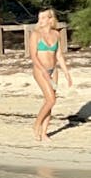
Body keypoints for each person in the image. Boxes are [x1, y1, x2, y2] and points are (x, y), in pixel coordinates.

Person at [29, 8, 72, 143]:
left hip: (54, 70)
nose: (40, 20)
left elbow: (58, 55)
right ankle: (36, 124)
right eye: (39, 18)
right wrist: (42, 70)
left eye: (43, 18)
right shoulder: (35, 34)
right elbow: (33, 56)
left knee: (49, 101)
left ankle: (44, 133)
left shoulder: (56, 34)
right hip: (40, 70)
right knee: (51, 99)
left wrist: (66, 72)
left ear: (50, 19)